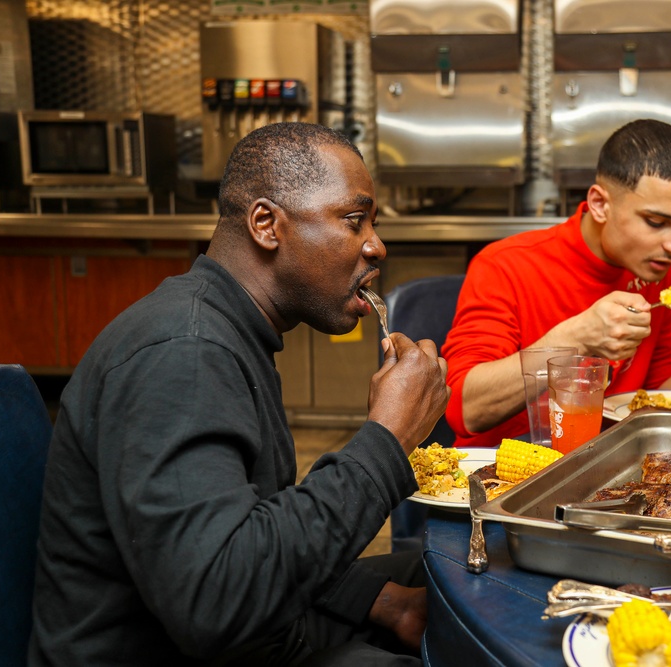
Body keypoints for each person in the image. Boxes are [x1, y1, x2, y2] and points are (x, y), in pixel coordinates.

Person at [28, 122, 450, 666]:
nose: (376, 244)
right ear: (266, 225)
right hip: (194, 642)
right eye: (353, 220)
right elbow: (217, 601)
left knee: (445, 573)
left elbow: (257, 524)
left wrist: (383, 602)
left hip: (257, 623)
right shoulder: (183, 353)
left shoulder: (231, 329)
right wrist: (386, 440)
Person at [442, 118, 671, 448]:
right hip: (506, 476)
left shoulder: (655, 266)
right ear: (600, 205)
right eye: (658, 222)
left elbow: (663, 382)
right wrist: (575, 338)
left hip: (610, 462)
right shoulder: (505, 266)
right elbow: (465, 410)